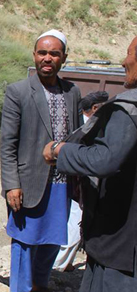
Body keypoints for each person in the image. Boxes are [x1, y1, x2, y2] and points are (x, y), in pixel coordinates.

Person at [43, 37, 137, 292]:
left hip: (120, 244)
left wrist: (60, 151)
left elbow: (105, 159)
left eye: (130, 53)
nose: (124, 61)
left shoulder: (127, 110)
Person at [0, 29, 81, 292]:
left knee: (52, 237)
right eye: (43, 52)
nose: (48, 58)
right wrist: (11, 184)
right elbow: (7, 143)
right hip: (28, 180)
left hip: (62, 180)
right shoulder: (18, 91)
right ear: (34, 55)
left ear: (63, 58)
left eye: (54, 53)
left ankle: (40, 284)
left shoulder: (72, 92)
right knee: (24, 240)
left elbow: (76, 136)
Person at [53, 90, 108, 273]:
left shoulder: (79, 123)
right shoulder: (87, 129)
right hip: (77, 184)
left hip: (71, 183)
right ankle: (58, 265)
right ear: (95, 108)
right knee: (75, 224)